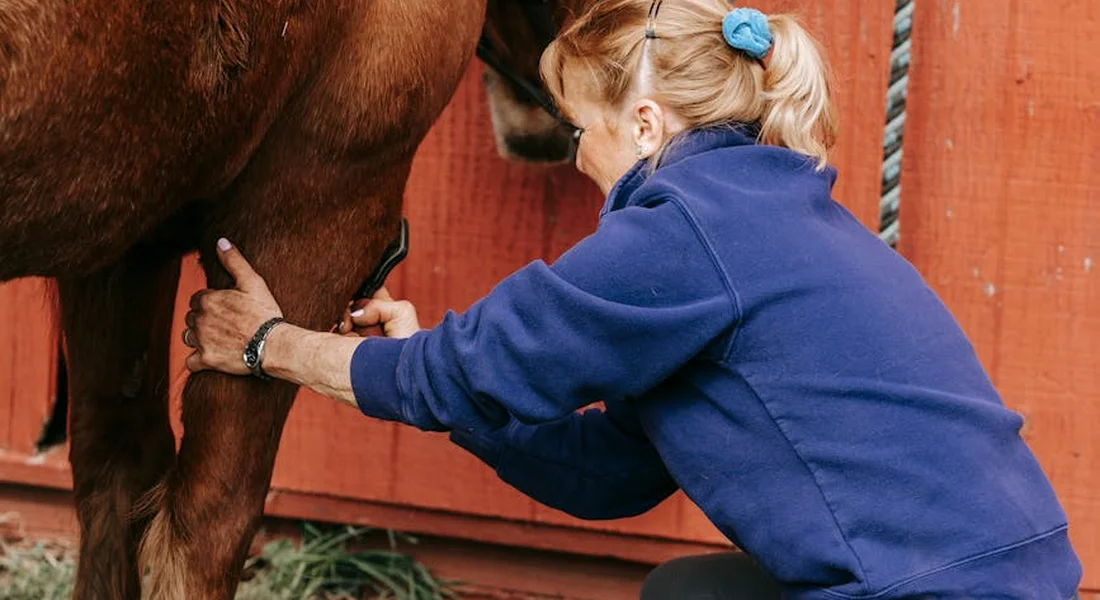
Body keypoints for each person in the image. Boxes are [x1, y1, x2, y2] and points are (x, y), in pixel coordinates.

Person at [182, 1, 1082, 598]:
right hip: (1003, 573)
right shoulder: (771, 216)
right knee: (687, 593)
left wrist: (270, 345)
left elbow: (468, 371)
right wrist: (441, 379)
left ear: (645, 126)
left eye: (581, 131)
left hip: (929, 590)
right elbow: (610, 473)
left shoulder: (683, 230)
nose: (576, 157)